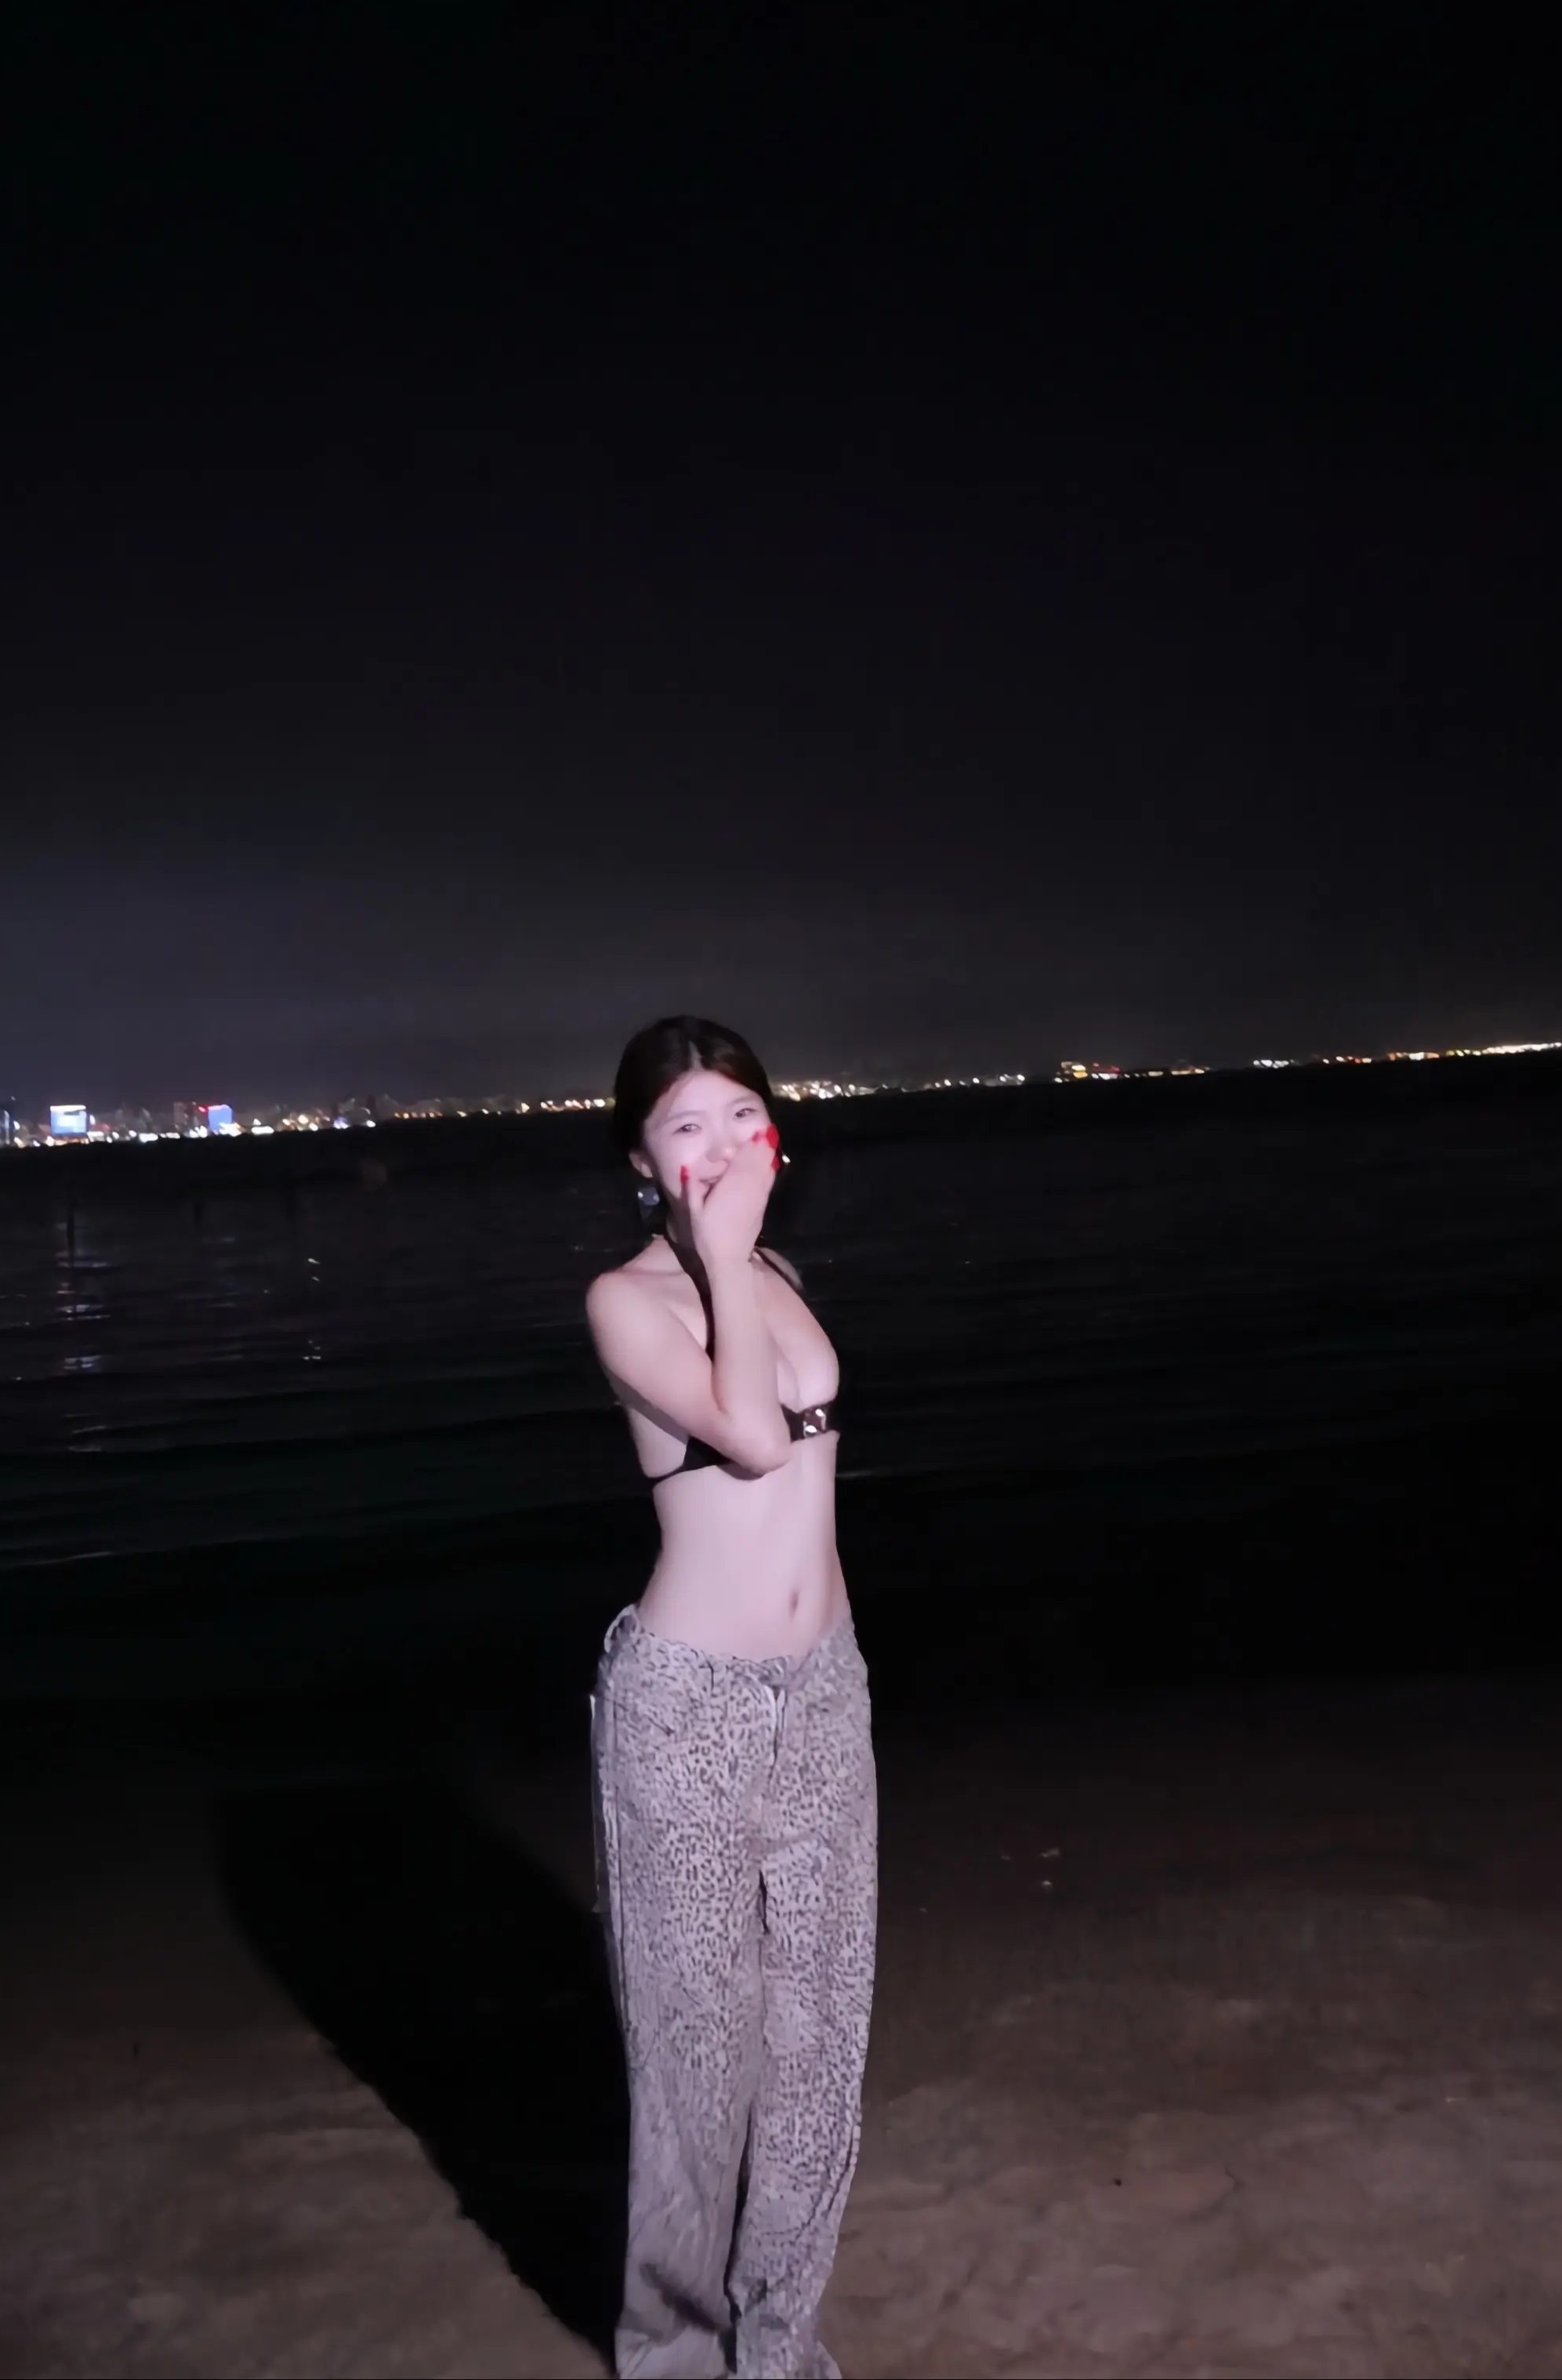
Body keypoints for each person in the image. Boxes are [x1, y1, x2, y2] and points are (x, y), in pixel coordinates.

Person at [585, 1014, 876, 2380]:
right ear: (643, 1161)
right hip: (687, 1709)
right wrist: (719, 1245)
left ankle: (783, 2349)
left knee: (821, 2046)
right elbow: (753, 1439)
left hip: (824, 1692)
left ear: (775, 1131)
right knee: (696, 2065)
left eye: (738, 1114)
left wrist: (744, 1255)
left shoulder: (779, 1274)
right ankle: (674, 2358)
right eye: (683, 1125)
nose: (716, 1144)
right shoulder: (629, 1300)